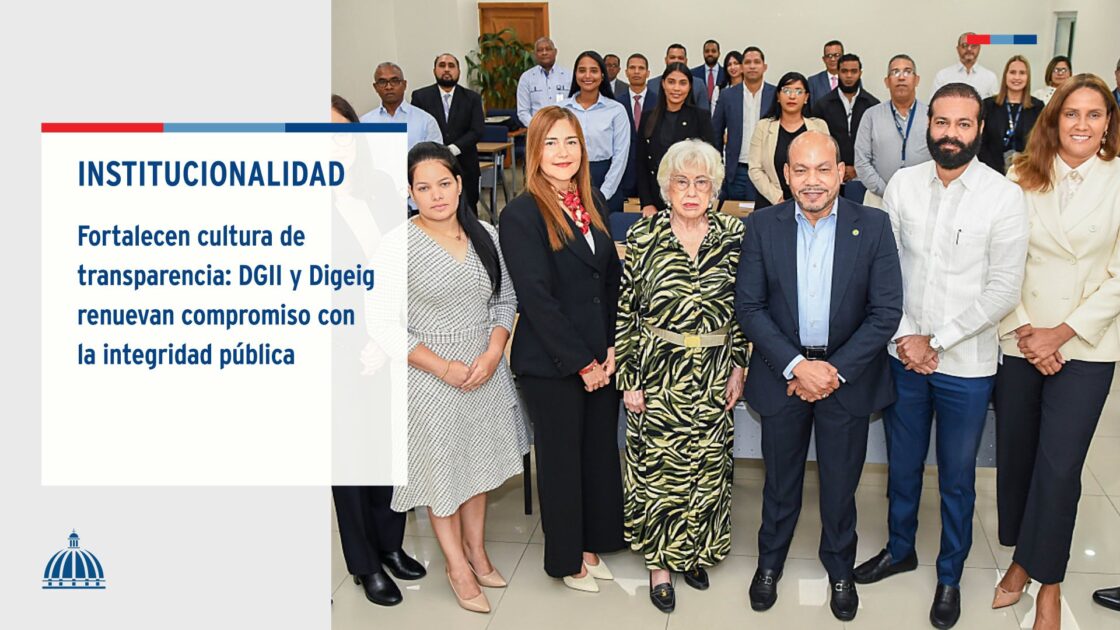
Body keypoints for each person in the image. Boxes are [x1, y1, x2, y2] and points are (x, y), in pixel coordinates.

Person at [853, 83, 1029, 630]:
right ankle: (900, 549)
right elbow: (883, 270)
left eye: (963, 124)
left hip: (966, 366)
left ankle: (949, 573)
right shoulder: (903, 185)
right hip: (904, 355)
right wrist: (910, 337)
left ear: (980, 129)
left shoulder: (1003, 196)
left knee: (956, 477)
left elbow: (1003, 289)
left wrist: (938, 340)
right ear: (929, 125)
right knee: (902, 467)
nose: (951, 134)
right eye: (943, 122)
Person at [736, 130, 903, 622]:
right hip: (782, 375)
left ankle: (840, 569)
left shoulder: (873, 225)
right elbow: (749, 307)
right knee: (779, 485)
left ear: (841, 172)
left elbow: (885, 311)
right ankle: (769, 563)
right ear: (786, 176)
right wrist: (797, 366)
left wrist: (832, 372)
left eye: (823, 169)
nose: (813, 181)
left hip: (844, 378)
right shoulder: (762, 226)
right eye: (802, 170)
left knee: (840, 487)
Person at [992, 73, 1120, 630]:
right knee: (1018, 458)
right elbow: (1001, 261)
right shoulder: (1019, 175)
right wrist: (1028, 331)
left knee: (1061, 466)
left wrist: (1061, 333)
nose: (1082, 124)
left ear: (1109, 123)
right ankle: (1022, 557)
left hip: (1086, 344)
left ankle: (1048, 580)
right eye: (1072, 113)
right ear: (1054, 119)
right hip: (1021, 336)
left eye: (1094, 114)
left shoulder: (1119, 180)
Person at [397, 142, 530, 614]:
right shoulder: (398, 245)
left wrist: (494, 352)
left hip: (484, 368)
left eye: (444, 183)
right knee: (443, 472)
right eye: (423, 187)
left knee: (478, 466)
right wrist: (443, 367)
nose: (436, 195)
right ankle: (456, 566)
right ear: (410, 193)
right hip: (430, 375)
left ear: (459, 184)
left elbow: (505, 298)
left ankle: (476, 551)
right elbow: (385, 324)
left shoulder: (485, 234)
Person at [616, 139, 748, 613]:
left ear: (715, 189)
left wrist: (739, 366)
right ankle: (660, 565)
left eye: (701, 182)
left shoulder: (734, 235)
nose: (691, 192)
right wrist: (630, 378)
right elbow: (628, 312)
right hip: (659, 371)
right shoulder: (644, 236)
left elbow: (746, 309)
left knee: (707, 468)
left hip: (714, 371)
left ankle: (695, 552)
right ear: (665, 187)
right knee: (660, 471)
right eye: (681, 182)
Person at [498, 105, 625, 592]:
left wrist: (611, 347)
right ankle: (567, 559)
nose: (562, 152)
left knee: (596, 455)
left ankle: (591, 544)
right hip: (552, 362)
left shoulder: (593, 201)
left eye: (571, 141)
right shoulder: (520, 214)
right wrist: (581, 363)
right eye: (551, 142)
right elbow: (537, 299)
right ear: (535, 150)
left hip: (600, 355)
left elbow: (610, 280)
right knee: (561, 463)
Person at [330, 94, 427, 609]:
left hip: (388, 341)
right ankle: (365, 563)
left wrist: (386, 336)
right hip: (336, 352)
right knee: (348, 460)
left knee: (389, 451)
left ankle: (390, 544)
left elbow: (398, 265)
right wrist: (358, 342)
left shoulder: (382, 187)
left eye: (341, 130)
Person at [854, 54, 932, 207]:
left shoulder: (932, 116)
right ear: (887, 81)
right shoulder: (871, 115)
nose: (901, 77)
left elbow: (939, 158)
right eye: (895, 72)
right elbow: (861, 161)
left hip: (922, 198)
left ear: (917, 80)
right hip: (879, 199)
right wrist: (886, 191)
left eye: (907, 72)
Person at [411, 53, 486, 213]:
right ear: (434, 70)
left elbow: (477, 130)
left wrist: (451, 149)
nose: (446, 69)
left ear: (458, 71)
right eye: (442, 65)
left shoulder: (472, 98)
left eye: (451, 66)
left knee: (467, 211)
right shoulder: (420, 97)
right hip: (430, 166)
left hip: (465, 165)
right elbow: (418, 127)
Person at [636, 64, 714, 216]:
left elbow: (711, 162)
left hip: (690, 199)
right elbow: (641, 164)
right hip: (655, 203)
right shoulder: (648, 117)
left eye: (682, 83)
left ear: (690, 87)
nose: (676, 88)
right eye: (671, 82)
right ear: (663, 84)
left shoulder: (701, 117)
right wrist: (647, 203)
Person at [747, 72, 829, 208]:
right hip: (771, 203)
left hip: (810, 203)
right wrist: (778, 198)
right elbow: (755, 168)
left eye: (798, 91)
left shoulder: (819, 126)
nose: (792, 96)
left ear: (806, 97)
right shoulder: (763, 127)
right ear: (778, 96)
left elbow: (826, 167)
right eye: (786, 91)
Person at [562, 51, 630, 214]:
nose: (587, 76)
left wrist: (604, 193)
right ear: (575, 74)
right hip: (569, 177)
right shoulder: (561, 110)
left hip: (605, 178)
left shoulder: (616, 110)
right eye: (582, 70)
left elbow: (621, 156)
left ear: (602, 75)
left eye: (593, 70)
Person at [711, 46, 776, 202]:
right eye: (747, 62)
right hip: (737, 170)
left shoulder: (775, 94)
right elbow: (716, 133)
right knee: (735, 213)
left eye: (756, 62)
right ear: (741, 67)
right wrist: (718, 166)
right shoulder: (727, 95)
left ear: (764, 67)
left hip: (767, 171)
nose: (752, 66)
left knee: (764, 212)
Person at [813, 53, 880, 202]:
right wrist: (837, 166)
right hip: (830, 177)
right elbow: (818, 142)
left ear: (860, 73)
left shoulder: (872, 105)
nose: (849, 76)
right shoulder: (822, 105)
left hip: (863, 179)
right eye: (844, 71)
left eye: (853, 71)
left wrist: (857, 168)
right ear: (837, 72)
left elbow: (877, 143)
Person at [978, 55, 1043, 174]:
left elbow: (1040, 143)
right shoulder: (988, 105)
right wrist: (995, 172)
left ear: (1028, 77)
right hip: (991, 172)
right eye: (1012, 72)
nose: (1017, 77)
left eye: (1022, 73)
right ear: (1005, 76)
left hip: (1026, 172)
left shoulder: (1037, 107)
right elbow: (981, 143)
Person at [360, 62, 442, 150]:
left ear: (404, 84)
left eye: (394, 81)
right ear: (375, 87)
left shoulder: (426, 121)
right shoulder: (364, 123)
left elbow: (437, 156)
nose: (389, 87)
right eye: (382, 82)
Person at [617, 53, 651, 200]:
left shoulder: (659, 102)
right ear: (626, 72)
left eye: (641, 68)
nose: (636, 72)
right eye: (632, 68)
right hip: (624, 173)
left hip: (651, 173)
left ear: (648, 73)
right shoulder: (616, 103)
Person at [517, 37, 572, 127]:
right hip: (537, 128)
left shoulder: (569, 76)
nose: (544, 53)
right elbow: (523, 111)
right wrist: (537, 127)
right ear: (535, 54)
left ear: (555, 52)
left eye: (548, 49)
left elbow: (574, 107)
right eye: (540, 50)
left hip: (564, 127)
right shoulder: (526, 78)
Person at [930, 32, 998, 99]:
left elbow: (995, 105)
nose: (969, 49)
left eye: (974, 46)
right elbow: (933, 103)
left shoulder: (990, 77)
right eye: (964, 45)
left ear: (979, 48)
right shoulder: (942, 76)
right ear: (958, 49)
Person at [648, 43, 710, 111]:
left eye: (680, 58)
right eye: (672, 57)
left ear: (686, 61)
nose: (676, 61)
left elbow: (704, 113)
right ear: (666, 60)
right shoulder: (652, 84)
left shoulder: (698, 84)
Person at [691, 39, 726, 111]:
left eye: (713, 51)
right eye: (707, 51)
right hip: (699, 113)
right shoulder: (693, 74)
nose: (710, 54)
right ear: (703, 53)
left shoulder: (726, 73)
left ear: (719, 53)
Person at [807, 40, 844, 105]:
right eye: (829, 56)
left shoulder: (852, 79)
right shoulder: (813, 81)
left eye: (837, 55)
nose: (833, 59)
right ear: (824, 59)